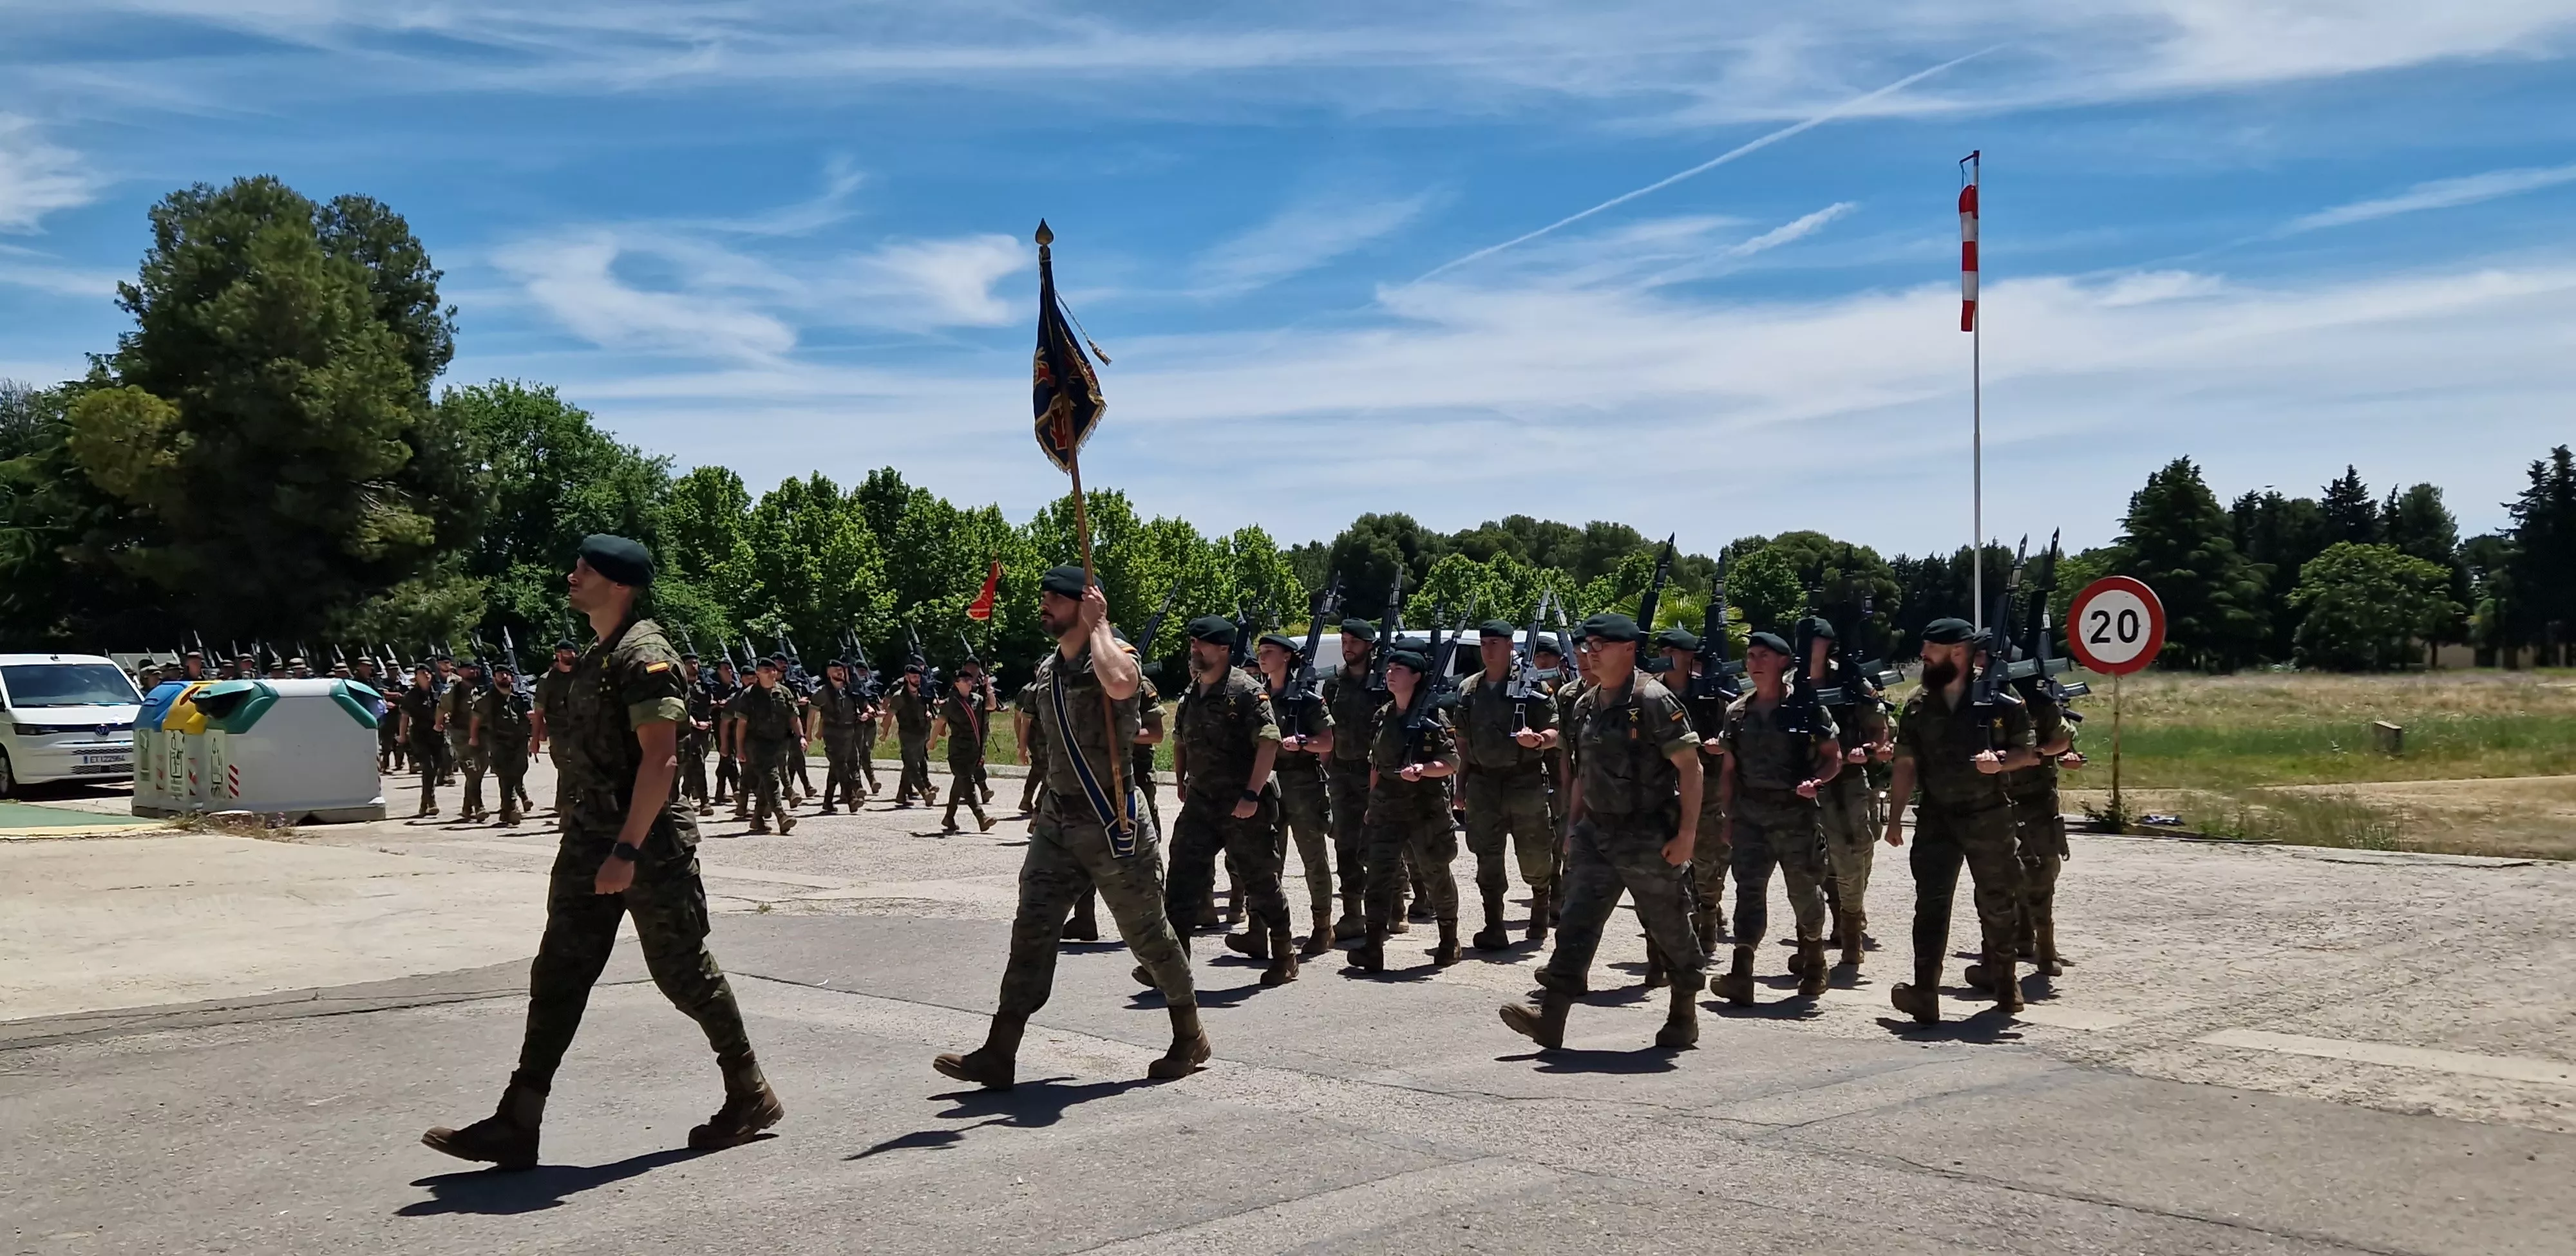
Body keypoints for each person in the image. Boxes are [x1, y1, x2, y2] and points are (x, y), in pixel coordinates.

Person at [423, 536, 781, 1167]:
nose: (572, 575)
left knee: (682, 972)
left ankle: (748, 1090)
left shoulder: (645, 655)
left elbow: (661, 759)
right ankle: (518, 1119)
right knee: (559, 970)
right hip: (591, 833)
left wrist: (626, 849)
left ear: (618, 584)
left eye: (584, 569)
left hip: (646, 841)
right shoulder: (596, 655)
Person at [934, 566, 1205, 1089]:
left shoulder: (1116, 656)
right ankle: (1000, 1051)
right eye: (1044, 598)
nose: (1044, 606)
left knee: (1148, 934)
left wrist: (1100, 626)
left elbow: (1123, 685)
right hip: (1059, 820)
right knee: (1031, 929)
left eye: (1054, 599)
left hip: (1111, 819)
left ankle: (1189, 1033)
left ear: (1083, 606)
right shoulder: (1049, 669)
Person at [1499, 614, 1705, 1050]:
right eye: (1588, 645)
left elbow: (1690, 768)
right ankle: (1551, 1017)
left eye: (1600, 645)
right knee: (1576, 921)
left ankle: (1683, 1013)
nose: (1590, 653)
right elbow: (1579, 772)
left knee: (1669, 924)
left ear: (1628, 649)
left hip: (1647, 833)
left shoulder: (1653, 700)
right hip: (1596, 832)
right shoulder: (1584, 703)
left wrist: (1687, 835)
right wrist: (1573, 827)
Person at [1884, 617, 2038, 1023]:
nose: (1923, 655)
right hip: (1937, 817)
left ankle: (2006, 984)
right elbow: (1905, 764)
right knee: (1930, 904)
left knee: (1997, 901)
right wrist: (1895, 818)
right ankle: (1925, 992)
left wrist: (2000, 761)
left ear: (1957, 652)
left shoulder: (2000, 700)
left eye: (1930, 649)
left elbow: (2027, 752)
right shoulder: (1918, 704)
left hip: (1989, 814)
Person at [1160, 616, 1294, 987]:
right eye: (1192, 643)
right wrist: (1181, 779)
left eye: (1200, 644)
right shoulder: (1193, 691)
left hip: (1242, 805)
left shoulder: (1246, 691)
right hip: (1202, 803)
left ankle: (1284, 955)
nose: (1194, 649)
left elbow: (1269, 743)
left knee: (1260, 880)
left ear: (1222, 649)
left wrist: (1251, 794)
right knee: (1182, 878)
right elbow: (1181, 739)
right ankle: (1173, 965)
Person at [1709, 632, 1841, 1006]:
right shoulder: (1737, 712)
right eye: (1751, 656)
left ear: (1784, 662)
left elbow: (1834, 756)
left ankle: (1814, 963)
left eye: (1764, 656)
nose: (1754, 663)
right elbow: (1729, 770)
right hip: (1751, 817)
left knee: (1804, 891)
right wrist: (1728, 816)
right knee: (1748, 891)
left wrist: (1818, 781)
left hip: (1795, 815)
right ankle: (1741, 973)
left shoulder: (1807, 708)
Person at [1348, 647, 1463, 973]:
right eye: (1389, 669)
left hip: (1425, 808)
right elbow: (1376, 763)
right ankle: (1373, 946)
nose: (1390, 674)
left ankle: (1449, 941)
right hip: (1387, 807)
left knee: (1435, 872)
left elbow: (1451, 762)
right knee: (1379, 875)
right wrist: (1372, 803)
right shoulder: (1383, 715)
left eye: (1398, 670)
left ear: (1416, 677)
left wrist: (1424, 770)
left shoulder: (1433, 718)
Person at [1455, 621, 1559, 952]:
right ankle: (1494, 925)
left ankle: (1540, 906)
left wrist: (1539, 740)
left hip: (1524, 781)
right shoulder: (1469, 689)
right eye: (1484, 643)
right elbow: (1463, 743)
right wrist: (1460, 786)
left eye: (1495, 643)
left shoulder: (1532, 686)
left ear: (1511, 646)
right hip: (1483, 782)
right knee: (1486, 854)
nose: (1488, 650)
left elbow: (1555, 730)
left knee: (1534, 853)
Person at [1803, 618, 1892, 970]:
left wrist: (1869, 749)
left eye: (1816, 640)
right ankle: (1831, 925)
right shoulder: (1791, 684)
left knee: (1857, 850)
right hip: (1807, 781)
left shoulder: (1851, 679)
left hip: (1850, 780)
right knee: (1812, 856)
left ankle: (1851, 924)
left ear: (1828, 644)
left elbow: (1880, 725)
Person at [1253, 632, 1338, 957]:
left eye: (1269, 652)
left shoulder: (1307, 700)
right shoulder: (1257, 696)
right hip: (1268, 785)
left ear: (1287, 657)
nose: (1262, 657)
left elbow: (1327, 742)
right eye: (1261, 651)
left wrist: (1302, 743)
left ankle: (1323, 927)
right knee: (1266, 860)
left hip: (1302, 785)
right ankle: (1261, 929)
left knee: (1313, 859)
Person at [1998, 675, 2081, 980]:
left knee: (2042, 869)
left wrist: (2041, 753)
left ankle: (2045, 944)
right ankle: (2013, 940)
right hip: (1998, 796)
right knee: (2003, 872)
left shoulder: (2041, 702)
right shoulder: (1983, 698)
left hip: (2037, 799)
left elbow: (2064, 738)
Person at [1320, 618, 1389, 941]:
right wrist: (1325, 770)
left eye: (1354, 642)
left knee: (1380, 842)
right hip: (1342, 773)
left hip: (1379, 772)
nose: (1348, 648)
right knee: (1344, 843)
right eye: (1344, 641)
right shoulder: (1334, 683)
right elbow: (1328, 730)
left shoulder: (1384, 682)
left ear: (1370, 646)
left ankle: (1390, 909)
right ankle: (1352, 913)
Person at [730, 657, 804, 835]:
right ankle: (781, 816)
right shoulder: (749, 695)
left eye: (773, 670)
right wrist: (740, 748)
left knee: (766, 783)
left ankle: (757, 819)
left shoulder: (784, 692)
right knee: (772, 778)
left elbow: (793, 717)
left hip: (779, 743)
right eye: (766, 671)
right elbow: (741, 724)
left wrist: (801, 736)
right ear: (758, 673)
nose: (772, 673)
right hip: (757, 744)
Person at [931, 664, 999, 833]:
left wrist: (989, 690)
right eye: (965, 680)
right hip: (958, 751)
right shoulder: (950, 703)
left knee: (960, 782)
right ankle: (981, 817)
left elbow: (992, 706)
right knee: (968, 783)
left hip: (975, 750)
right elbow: (940, 723)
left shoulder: (978, 699)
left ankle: (949, 818)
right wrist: (931, 741)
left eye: (970, 679)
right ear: (957, 683)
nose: (969, 682)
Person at [474, 667, 535, 828]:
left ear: (512, 679)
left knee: (519, 771)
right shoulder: (487, 699)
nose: (504, 676)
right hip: (499, 741)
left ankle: (506, 809)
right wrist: (474, 737)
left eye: (507, 674)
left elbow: (531, 716)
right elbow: (476, 718)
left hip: (520, 741)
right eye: (500, 674)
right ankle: (511, 807)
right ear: (494, 678)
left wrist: (535, 734)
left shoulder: (521, 697)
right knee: (505, 773)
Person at [809, 659, 869, 814]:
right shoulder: (823, 692)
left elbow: (862, 705)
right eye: (835, 669)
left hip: (849, 733)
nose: (839, 672)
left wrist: (864, 714)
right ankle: (851, 798)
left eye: (841, 669)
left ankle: (828, 801)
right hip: (832, 733)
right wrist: (808, 733)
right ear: (828, 673)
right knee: (841, 765)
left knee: (836, 767)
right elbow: (812, 712)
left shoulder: (850, 690)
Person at [442, 658, 491, 822]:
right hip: (461, 735)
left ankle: (467, 806)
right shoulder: (453, 693)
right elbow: (441, 708)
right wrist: (439, 724)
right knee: (472, 770)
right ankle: (479, 806)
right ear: (459, 672)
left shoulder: (484, 689)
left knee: (480, 769)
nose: (473, 671)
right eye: (469, 668)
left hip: (482, 735)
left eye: (475, 668)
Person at [532, 641, 578, 812]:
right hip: (559, 731)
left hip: (581, 729)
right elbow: (539, 712)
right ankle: (566, 808)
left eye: (573, 652)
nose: (572, 655)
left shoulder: (582, 675)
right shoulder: (547, 680)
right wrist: (536, 740)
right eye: (567, 652)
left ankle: (566, 804)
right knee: (566, 768)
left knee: (580, 768)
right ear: (558, 655)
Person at [395, 664, 445, 818]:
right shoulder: (411, 696)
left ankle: (425, 802)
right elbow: (405, 717)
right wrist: (402, 736)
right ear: (416, 678)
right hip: (419, 734)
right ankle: (431, 801)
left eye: (428, 672)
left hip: (436, 733)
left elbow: (446, 710)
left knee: (435, 768)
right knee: (428, 767)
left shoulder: (438, 692)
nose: (426, 675)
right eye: (422, 673)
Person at [887, 665, 936, 807]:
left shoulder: (921, 694)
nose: (917, 679)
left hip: (920, 734)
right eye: (914, 677)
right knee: (912, 765)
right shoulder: (899, 697)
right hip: (907, 734)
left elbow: (925, 709)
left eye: (918, 677)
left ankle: (901, 795)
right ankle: (924, 792)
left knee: (911, 765)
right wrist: (884, 733)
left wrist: (928, 714)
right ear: (907, 677)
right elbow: (889, 715)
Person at [677, 651, 715, 816]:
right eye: (690, 663)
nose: (694, 666)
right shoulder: (680, 685)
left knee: (692, 764)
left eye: (696, 663)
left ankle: (685, 796)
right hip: (688, 729)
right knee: (697, 763)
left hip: (705, 730)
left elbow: (708, 704)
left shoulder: (705, 684)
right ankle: (704, 802)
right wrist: (691, 721)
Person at [707, 657, 741, 808]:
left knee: (725, 759)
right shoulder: (713, 687)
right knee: (729, 757)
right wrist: (717, 704)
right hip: (719, 726)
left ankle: (720, 793)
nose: (729, 671)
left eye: (730, 668)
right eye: (725, 669)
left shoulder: (735, 687)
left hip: (735, 726)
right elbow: (706, 704)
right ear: (719, 671)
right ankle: (737, 789)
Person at [1013, 673, 1049, 816]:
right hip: (1039, 739)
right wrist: (1022, 747)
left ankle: (1027, 800)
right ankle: (1040, 808)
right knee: (1050, 773)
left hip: (1047, 739)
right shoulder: (1032, 692)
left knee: (1039, 768)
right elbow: (1022, 721)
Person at [849, 661, 885, 799]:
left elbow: (873, 703)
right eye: (860, 671)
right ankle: (856, 787)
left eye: (865, 671)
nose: (863, 674)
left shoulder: (868, 686)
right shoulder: (853, 687)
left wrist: (875, 712)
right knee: (856, 756)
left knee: (866, 752)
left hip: (869, 725)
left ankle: (872, 781)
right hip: (856, 725)